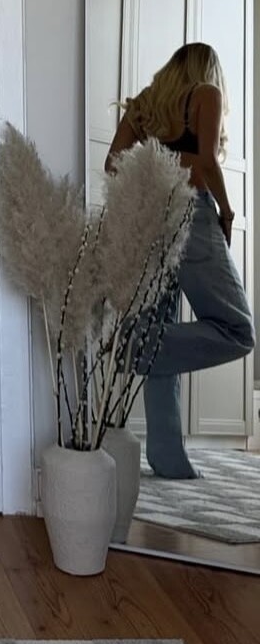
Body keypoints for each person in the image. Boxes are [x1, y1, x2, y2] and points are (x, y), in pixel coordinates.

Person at [105, 41, 254, 479]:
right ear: (207, 68)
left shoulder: (146, 105)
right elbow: (206, 162)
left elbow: (113, 163)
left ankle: (169, 459)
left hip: (149, 216)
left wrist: (158, 160)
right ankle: (135, 346)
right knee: (237, 330)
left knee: (162, 330)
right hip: (190, 211)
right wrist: (227, 211)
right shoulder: (207, 92)